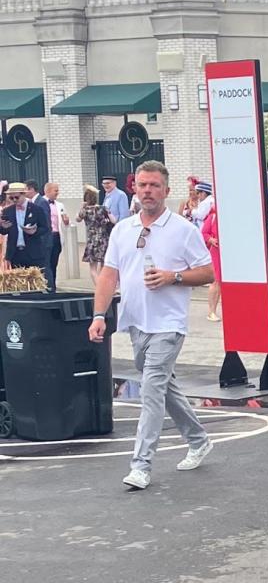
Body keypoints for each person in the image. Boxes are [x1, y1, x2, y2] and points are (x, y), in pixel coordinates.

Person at [87, 160, 214, 490]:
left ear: (166, 191)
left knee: (152, 389)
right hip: (136, 323)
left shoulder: (183, 230)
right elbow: (108, 276)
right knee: (163, 386)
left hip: (169, 324)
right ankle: (199, 439)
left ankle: (141, 465)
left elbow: (208, 272)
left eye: (154, 185)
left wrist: (173, 277)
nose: (147, 190)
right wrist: (99, 316)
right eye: (142, 185)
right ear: (135, 189)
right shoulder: (123, 229)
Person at [2, 182, 52, 285]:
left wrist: (35, 231)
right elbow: (4, 231)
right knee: (20, 283)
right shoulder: (7, 211)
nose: (14, 200)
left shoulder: (36, 209)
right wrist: (2, 227)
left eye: (16, 197)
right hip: (15, 253)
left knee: (36, 281)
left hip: (33, 252)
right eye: (11, 198)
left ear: (23, 195)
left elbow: (45, 228)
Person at [77, 184, 113, 279]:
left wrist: (82, 207)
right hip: (104, 239)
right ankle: (103, 286)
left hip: (92, 240)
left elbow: (77, 219)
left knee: (93, 268)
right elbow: (114, 220)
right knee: (103, 265)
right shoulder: (103, 208)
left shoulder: (85, 210)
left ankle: (98, 288)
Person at [200, 192, 222, 320]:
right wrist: (211, 240)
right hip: (216, 251)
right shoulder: (213, 217)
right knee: (216, 280)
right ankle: (212, 311)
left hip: (230, 253)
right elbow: (203, 233)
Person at [44, 182, 65, 292]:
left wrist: (66, 221)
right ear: (47, 191)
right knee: (46, 262)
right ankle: (48, 285)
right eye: (55, 190)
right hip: (47, 236)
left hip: (57, 236)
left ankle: (53, 285)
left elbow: (64, 221)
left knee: (54, 262)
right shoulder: (41, 203)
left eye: (57, 190)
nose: (57, 192)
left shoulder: (60, 205)